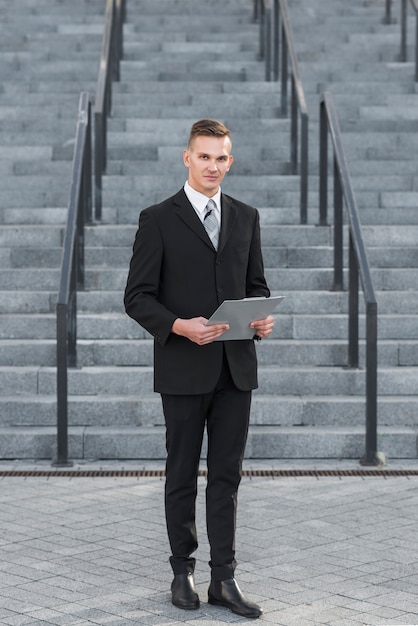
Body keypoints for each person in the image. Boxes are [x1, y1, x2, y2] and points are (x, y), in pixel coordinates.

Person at [124, 119, 274, 619]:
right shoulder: (158, 219)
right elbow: (137, 298)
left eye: (221, 158)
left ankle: (224, 579)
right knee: (182, 474)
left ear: (230, 161)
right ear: (187, 158)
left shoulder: (247, 217)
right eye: (204, 156)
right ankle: (181, 571)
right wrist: (178, 327)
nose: (213, 166)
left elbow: (255, 285)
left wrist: (259, 319)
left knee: (227, 477)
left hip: (235, 368)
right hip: (184, 368)